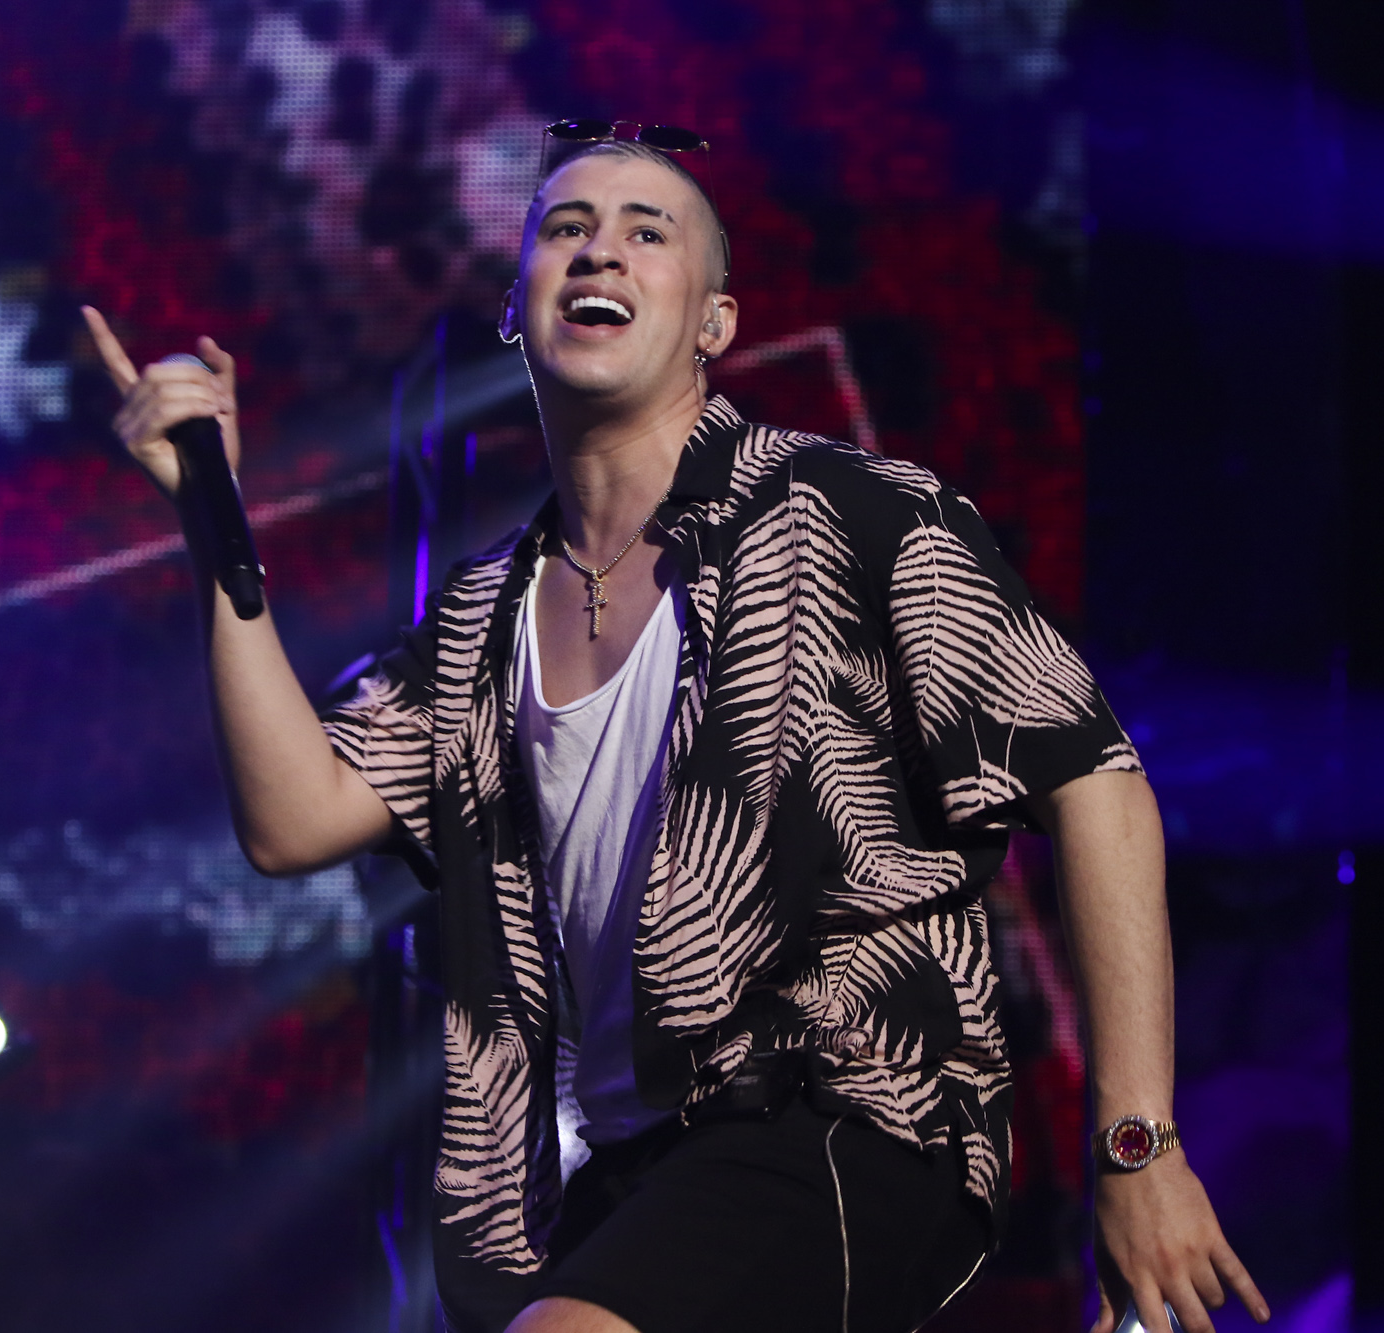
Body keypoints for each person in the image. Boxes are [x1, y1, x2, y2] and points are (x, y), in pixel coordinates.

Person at [81, 126, 1270, 1333]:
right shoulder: (484, 614)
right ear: (515, 307)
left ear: (713, 322)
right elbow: (294, 817)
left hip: (843, 1111)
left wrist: (1136, 1147)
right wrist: (212, 520)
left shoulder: (852, 515)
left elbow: (1094, 780)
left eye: (647, 232)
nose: (600, 249)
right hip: (603, 1181)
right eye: (565, 228)